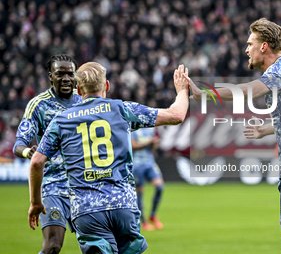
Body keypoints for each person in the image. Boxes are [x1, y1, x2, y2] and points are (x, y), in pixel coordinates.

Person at [187, 18, 281, 254]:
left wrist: (205, 95)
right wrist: (268, 128)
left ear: (264, 46)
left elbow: (249, 90)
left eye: (250, 43)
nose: (246, 49)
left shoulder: (279, 71)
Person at [28, 62, 189, 254]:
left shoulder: (62, 120)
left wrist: (36, 203)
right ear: (107, 86)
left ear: (78, 89)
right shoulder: (121, 109)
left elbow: (37, 161)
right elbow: (177, 115)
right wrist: (181, 91)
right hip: (124, 205)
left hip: (87, 210)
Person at [13, 54, 81, 254]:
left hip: (84, 185)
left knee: (98, 247)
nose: (66, 78)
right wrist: (28, 151)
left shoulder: (85, 101)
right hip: (53, 185)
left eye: (70, 73)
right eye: (60, 74)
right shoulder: (39, 104)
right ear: (51, 76)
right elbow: (19, 143)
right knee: (52, 246)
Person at [131, 128, 164, 231]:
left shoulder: (151, 128)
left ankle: (153, 215)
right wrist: (148, 142)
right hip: (136, 164)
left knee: (160, 187)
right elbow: (132, 145)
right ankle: (143, 221)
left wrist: (155, 143)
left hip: (149, 163)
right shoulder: (133, 128)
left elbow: (154, 147)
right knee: (139, 193)